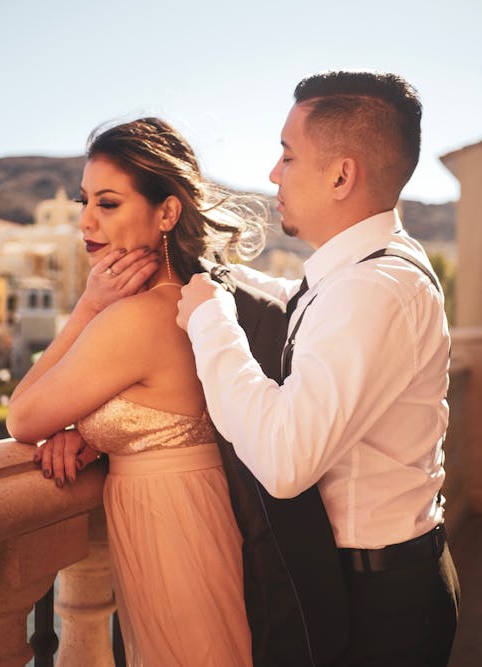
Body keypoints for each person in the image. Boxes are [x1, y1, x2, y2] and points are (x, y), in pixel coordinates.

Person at [176, 71, 460, 666]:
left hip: (379, 605)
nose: (274, 173)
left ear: (341, 174)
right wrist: (218, 278)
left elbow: (283, 460)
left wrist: (208, 321)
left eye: (287, 155)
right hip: (383, 579)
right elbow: (307, 304)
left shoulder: (374, 290)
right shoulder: (369, 270)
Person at [6, 116, 268, 667]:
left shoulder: (135, 318)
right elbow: (161, 413)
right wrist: (96, 435)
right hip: (188, 519)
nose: (85, 222)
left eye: (107, 203)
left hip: (174, 535)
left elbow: (22, 418)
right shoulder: (190, 299)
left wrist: (87, 306)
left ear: (167, 212)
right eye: (83, 202)